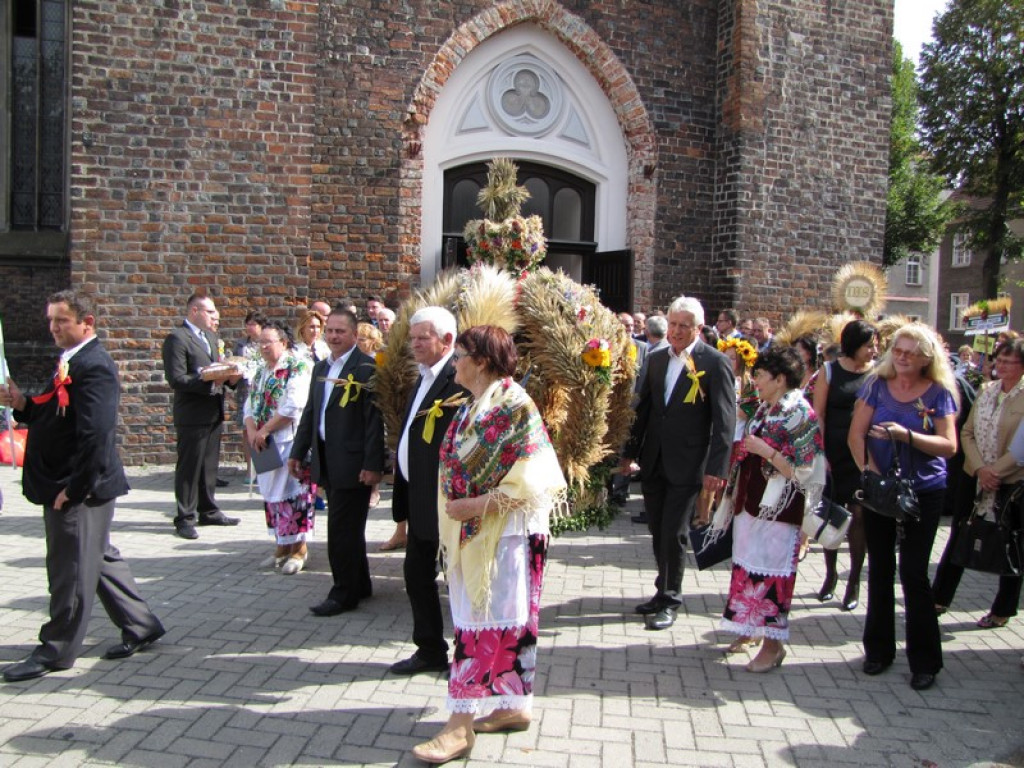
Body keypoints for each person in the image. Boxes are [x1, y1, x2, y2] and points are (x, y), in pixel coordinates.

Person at [411, 325, 566, 764]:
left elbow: (536, 473)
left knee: (482, 623)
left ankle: (459, 726)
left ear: (480, 360)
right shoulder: (474, 403)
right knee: (487, 618)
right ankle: (513, 705)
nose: (453, 361)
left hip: (505, 533)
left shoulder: (514, 403)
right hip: (479, 530)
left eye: (459, 353)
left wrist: (477, 504)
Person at [0, 290, 165, 683]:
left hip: (78, 487)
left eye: (61, 320)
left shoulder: (95, 366)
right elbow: (57, 414)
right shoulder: (70, 361)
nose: (53, 328)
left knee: (70, 570)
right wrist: (22, 403)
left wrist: (75, 490)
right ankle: (141, 624)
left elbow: (95, 435)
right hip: (68, 481)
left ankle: (56, 650)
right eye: (51, 320)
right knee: (98, 557)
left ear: (86, 323)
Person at [848, 322, 959, 691]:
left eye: (910, 353)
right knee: (879, 568)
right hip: (883, 490)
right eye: (898, 350)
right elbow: (856, 435)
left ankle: (925, 660)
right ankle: (878, 651)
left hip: (925, 491)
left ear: (926, 357)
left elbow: (948, 445)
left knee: (913, 572)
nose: (902, 358)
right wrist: (873, 473)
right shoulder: (877, 386)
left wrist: (907, 436)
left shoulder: (939, 392)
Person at [621, 296, 735, 630]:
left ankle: (671, 598)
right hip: (655, 458)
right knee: (657, 529)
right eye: (672, 324)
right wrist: (630, 452)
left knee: (674, 531)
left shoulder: (713, 363)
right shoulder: (657, 359)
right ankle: (661, 590)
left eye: (684, 325)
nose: (676, 331)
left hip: (689, 462)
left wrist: (717, 468)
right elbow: (645, 410)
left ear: (699, 328)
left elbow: (724, 419)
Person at [717, 347, 825, 672]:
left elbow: (806, 471)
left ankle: (773, 644)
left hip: (780, 510)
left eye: (761, 376)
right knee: (749, 567)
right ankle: (748, 628)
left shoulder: (799, 413)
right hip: (753, 504)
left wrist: (766, 451)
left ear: (780, 379)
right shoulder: (767, 407)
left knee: (772, 572)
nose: (756, 381)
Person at [389, 307, 469, 677]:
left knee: (458, 583)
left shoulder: (458, 380)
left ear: (447, 341)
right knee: (416, 576)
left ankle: (468, 655)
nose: (415, 343)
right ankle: (430, 649)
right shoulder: (421, 376)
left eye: (423, 337)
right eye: (413, 337)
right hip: (419, 499)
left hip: (444, 504)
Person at [288, 308, 385, 616]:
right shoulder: (320, 368)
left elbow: (374, 422)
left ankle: (343, 592)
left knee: (341, 530)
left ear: (355, 335)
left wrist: (373, 465)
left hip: (353, 463)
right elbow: (311, 414)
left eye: (340, 331)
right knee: (349, 527)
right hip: (326, 458)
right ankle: (360, 582)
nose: (333, 336)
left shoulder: (366, 369)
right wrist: (297, 451)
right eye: (329, 330)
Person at [932, 338, 1024, 627]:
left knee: (1011, 544)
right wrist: (980, 469)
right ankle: (938, 598)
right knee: (960, 534)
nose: (1001, 366)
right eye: (999, 359)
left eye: (1009, 361)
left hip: (1011, 482)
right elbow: (967, 432)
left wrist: (995, 471)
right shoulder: (986, 391)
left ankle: (1002, 609)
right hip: (975, 477)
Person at [162, 291, 241, 540]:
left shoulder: (210, 336)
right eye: (209, 311)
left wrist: (230, 377)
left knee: (209, 465)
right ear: (194, 311)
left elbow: (218, 370)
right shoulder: (177, 338)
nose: (214, 315)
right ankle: (184, 517)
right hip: (192, 413)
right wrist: (206, 378)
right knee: (190, 466)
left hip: (213, 409)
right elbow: (176, 379)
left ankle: (208, 510)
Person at [812, 320, 877, 611]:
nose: (874, 350)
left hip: (862, 454)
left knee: (859, 517)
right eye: (869, 345)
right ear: (854, 345)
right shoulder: (829, 371)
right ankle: (830, 574)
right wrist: (821, 453)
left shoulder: (876, 374)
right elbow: (819, 414)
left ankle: (854, 582)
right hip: (834, 453)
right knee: (832, 515)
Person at [244, 321, 315, 575]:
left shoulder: (297, 367)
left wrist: (266, 429)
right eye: (259, 342)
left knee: (294, 495)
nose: (262, 347)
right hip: (264, 443)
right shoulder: (261, 371)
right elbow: (249, 404)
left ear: (283, 343)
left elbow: (294, 406)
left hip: (289, 441)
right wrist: (253, 431)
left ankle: (299, 548)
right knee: (272, 495)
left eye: (268, 342)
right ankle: (281, 546)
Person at [233, 310, 268, 466]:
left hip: (264, 390)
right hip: (246, 390)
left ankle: (264, 464)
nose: (249, 327)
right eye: (247, 324)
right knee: (247, 428)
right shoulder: (241, 344)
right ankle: (249, 467)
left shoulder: (267, 344)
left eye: (253, 324)